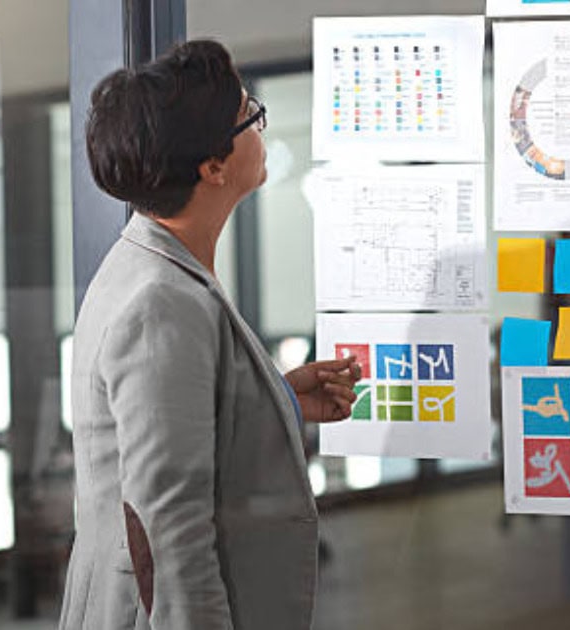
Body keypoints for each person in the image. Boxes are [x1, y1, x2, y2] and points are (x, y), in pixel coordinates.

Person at [58, 39, 360, 629]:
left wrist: (276, 398)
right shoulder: (159, 303)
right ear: (213, 167)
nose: (261, 127)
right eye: (250, 115)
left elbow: (171, 428)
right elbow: (168, 529)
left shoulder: (152, 263)